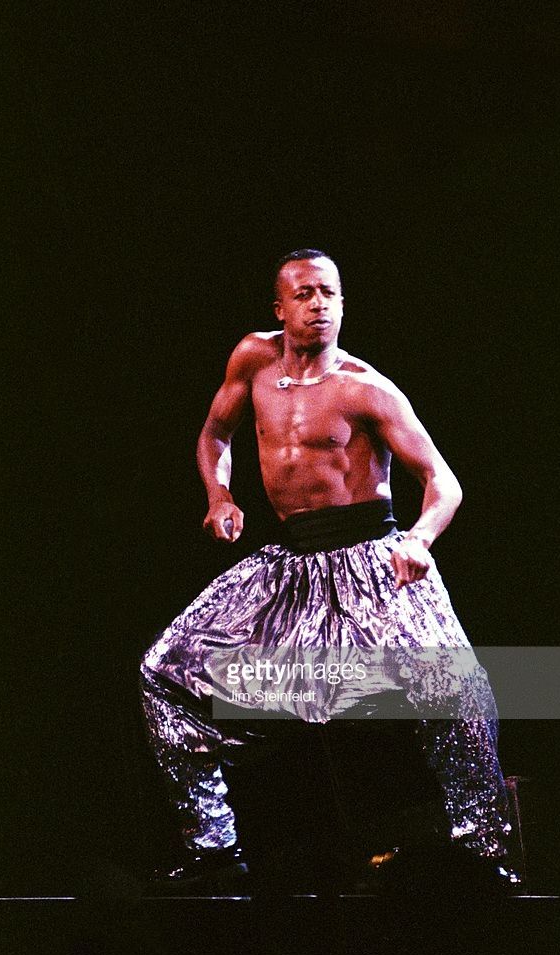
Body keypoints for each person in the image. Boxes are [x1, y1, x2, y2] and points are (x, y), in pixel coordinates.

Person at [139, 248, 517, 892]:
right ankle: (213, 847)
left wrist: (421, 540)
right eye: (306, 295)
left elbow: (443, 483)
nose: (320, 306)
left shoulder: (364, 387)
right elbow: (214, 434)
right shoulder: (252, 361)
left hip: (371, 559)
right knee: (166, 671)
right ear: (279, 309)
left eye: (330, 294)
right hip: (291, 562)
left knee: (456, 690)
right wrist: (220, 496)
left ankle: (482, 848)